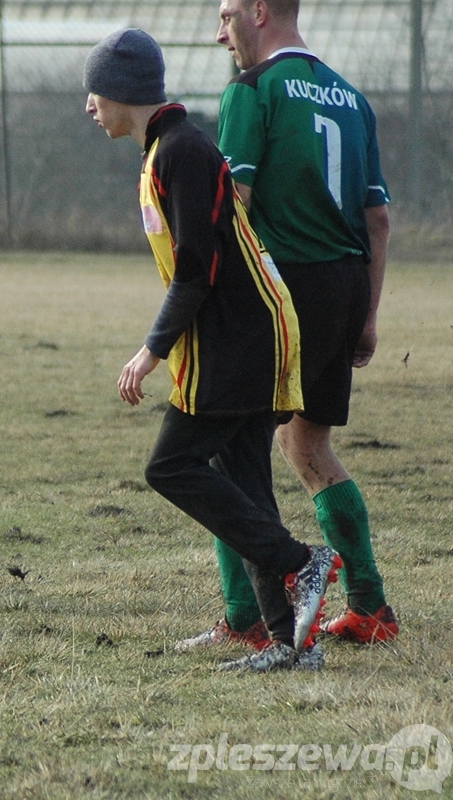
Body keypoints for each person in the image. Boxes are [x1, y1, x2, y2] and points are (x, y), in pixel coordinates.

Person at [84, 28, 341, 671]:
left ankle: (301, 561)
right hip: (242, 335)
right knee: (247, 483)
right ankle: (289, 644)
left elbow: (196, 269)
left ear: (122, 90)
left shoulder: (180, 150)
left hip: (238, 340)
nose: (89, 105)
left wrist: (150, 351)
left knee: (169, 467)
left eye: (95, 91)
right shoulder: (167, 148)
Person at [177, 0, 396, 650]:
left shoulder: (252, 91)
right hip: (344, 286)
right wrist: (368, 314)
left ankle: (247, 618)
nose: (219, 34)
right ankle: (369, 605)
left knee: (228, 450)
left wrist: (204, 301)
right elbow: (378, 219)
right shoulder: (352, 98)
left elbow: (233, 206)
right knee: (308, 447)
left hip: (279, 291)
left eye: (226, 16)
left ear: (259, 12)